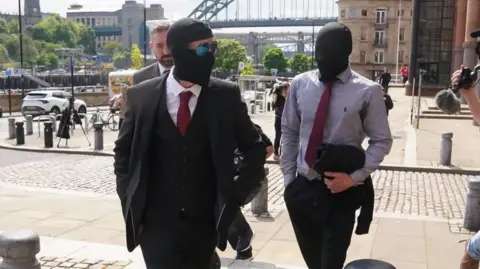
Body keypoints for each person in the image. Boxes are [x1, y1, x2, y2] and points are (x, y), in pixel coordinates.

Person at [113, 18, 266, 269]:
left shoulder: (225, 95)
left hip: (205, 222)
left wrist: (236, 194)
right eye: (203, 48)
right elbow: (123, 151)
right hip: (155, 224)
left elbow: (255, 146)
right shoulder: (141, 95)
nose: (211, 55)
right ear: (180, 50)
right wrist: (127, 195)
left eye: (212, 47)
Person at [280, 22, 392, 269]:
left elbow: (381, 140)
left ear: (346, 53)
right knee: (313, 261)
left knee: (330, 262)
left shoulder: (368, 91)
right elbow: (289, 131)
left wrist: (354, 178)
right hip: (302, 188)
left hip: (341, 192)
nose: (323, 58)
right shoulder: (300, 84)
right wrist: (289, 180)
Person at [133, 20, 173, 84]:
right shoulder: (140, 78)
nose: (166, 52)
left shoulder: (192, 74)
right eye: (159, 46)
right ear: (151, 46)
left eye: (169, 44)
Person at [271, 82, 288, 160]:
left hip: (281, 118)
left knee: (281, 136)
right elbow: (273, 105)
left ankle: (280, 153)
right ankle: (276, 153)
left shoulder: (285, 98)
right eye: (285, 88)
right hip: (279, 118)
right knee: (279, 136)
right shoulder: (279, 98)